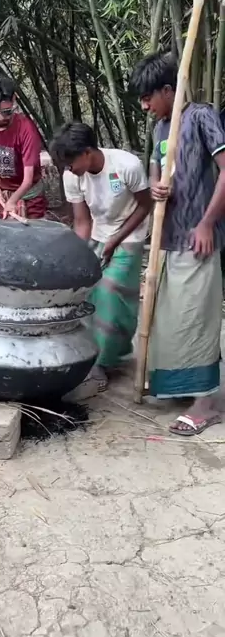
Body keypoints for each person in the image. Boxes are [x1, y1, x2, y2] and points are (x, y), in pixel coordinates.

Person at [130, 51, 225, 436]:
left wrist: (207, 223)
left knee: (196, 317)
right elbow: (157, 168)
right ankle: (182, 386)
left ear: (169, 90)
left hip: (197, 238)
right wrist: (156, 185)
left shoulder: (201, 116)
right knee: (171, 318)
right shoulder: (160, 129)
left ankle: (206, 404)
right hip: (168, 239)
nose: (144, 106)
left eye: (148, 97)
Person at [50, 121, 152, 395]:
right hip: (98, 233)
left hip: (129, 234)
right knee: (87, 291)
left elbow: (145, 205)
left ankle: (102, 364)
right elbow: (82, 221)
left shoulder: (127, 165)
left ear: (87, 152)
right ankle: (98, 352)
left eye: (70, 162)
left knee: (109, 291)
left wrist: (115, 240)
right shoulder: (72, 176)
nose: (68, 169)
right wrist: (77, 255)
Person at [0, 74, 47, 221]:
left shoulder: (26, 130)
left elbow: (28, 179)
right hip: (1, 195)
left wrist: (13, 201)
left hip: (29, 199)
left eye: (6, 112)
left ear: (14, 99)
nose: (1, 118)